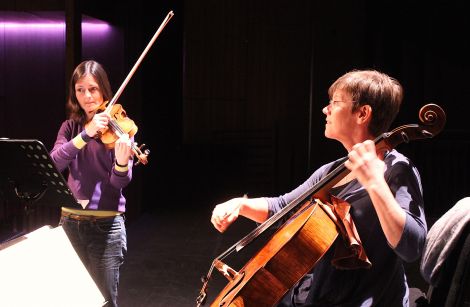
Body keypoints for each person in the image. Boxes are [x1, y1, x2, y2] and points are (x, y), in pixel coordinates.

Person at [211, 69, 427, 306]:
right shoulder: (331, 172)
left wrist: (376, 183)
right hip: (324, 295)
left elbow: (411, 247)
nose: (326, 109)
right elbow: (284, 207)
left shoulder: (397, 169)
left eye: (334, 102)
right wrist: (239, 204)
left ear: (362, 113)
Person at [50, 60, 133, 307]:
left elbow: (120, 183)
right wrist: (85, 134)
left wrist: (120, 163)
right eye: (80, 89)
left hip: (106, 227)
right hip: (70, 223)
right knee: (72, 298)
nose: (87, 96)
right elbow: (55, 162)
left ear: (104, 90)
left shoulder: (120, 127)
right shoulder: (71, 127)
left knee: (104, 301)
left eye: (93, 89)